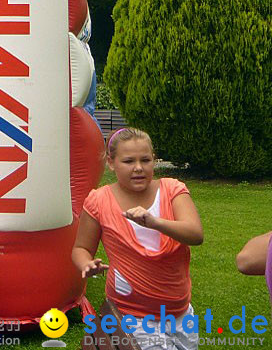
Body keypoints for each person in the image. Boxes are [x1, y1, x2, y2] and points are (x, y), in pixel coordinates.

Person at [72, 128, 204, 350]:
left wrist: (154, 222)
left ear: (154, 160)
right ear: (111, 163)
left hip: (181, 312)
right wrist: (86, 264)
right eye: (128, 161)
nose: (138, 168)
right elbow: (80, 248)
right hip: (132, 316)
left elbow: (195, 234)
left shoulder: (172, 190)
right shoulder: (99, 201)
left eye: (145, 159)